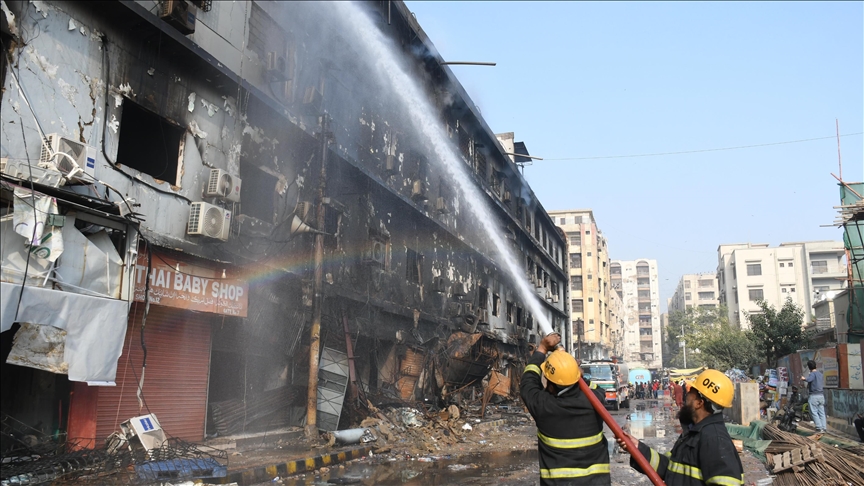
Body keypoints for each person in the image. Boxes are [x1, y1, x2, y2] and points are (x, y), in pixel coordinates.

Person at [617, 369, 744, 486]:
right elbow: (669, 467)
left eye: (691, 392)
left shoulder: (714, 439)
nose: (686, 395)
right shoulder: (695, 433)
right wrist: (638, 448)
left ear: (699, 403)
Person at [520, 333, 611, 485]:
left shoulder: (543, 406)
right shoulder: (595, 402)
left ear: (551, 384)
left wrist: (541, 348)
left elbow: (528, 382)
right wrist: (576, 374)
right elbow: (598, 390)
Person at [801, 360, 827, 433]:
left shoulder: (812, 374)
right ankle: (824, 428)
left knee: (814, 412)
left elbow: (809, 379)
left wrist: (804, 379)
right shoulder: (820, 374)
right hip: (821, 396)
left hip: (814, 396)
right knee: (821, 412)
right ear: (816, 366)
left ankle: (819, 428)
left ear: (809, 367)